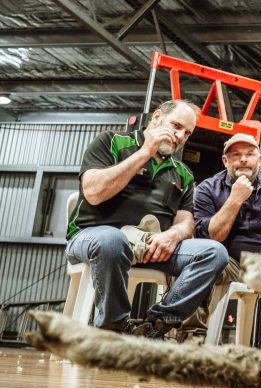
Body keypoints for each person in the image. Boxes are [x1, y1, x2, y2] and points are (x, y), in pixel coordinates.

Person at [66, 100, 229, 339]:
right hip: (96, 237)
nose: (180, 136)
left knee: (214, 253)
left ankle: (156, 326)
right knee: (112, 240)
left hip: (151, 247)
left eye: (187, 133)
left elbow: (185, 221)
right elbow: (93, 192)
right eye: (176, 126)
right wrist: (145, 152)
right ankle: (114, 327)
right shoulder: (111, 142)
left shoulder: (182, 173)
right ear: (156, 117)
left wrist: (173, 235)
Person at [191, 132, 261, 337]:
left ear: (259, 159)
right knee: (204, 256)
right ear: (225, 160)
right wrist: (235, 199)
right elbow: (212, 237)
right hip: (229, 264)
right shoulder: (208, 189)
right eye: (236, 155)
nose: (243, 159)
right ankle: (194, 334)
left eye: (249, 154)